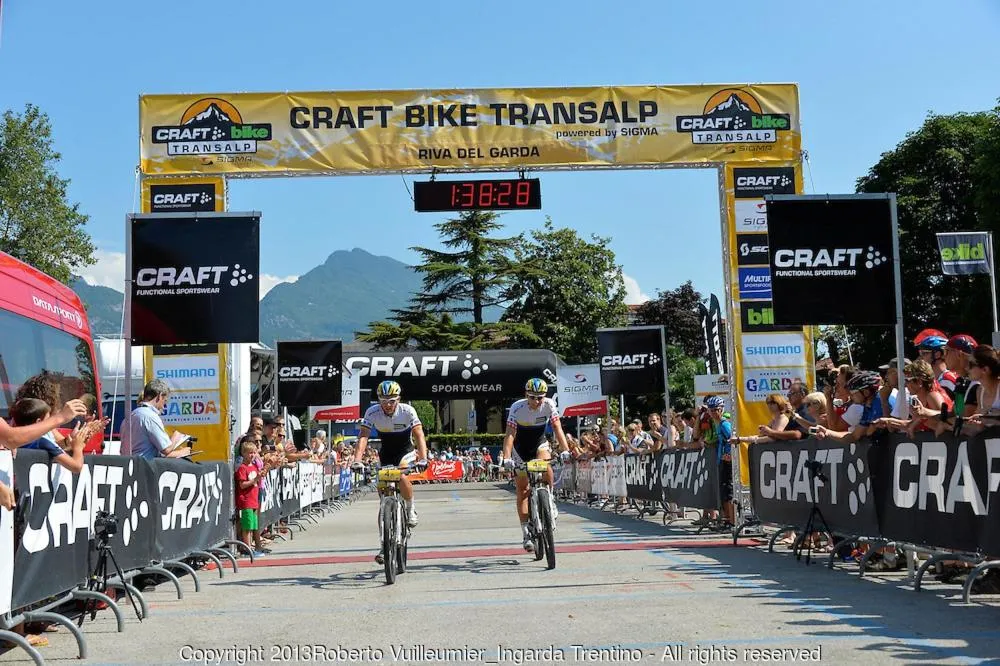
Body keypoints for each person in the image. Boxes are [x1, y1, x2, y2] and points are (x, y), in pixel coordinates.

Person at [350, 381, 428, 564]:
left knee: (400, 475)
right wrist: (357, 460)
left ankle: (410, 509)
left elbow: (418, 434)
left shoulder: (408, 411)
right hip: (386, 453)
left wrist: (423, 457)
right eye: (383, 400)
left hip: (405, 451)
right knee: (383, 497)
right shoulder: (372, 412)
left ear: (399, 399)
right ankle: (384, 544)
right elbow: (363, 437)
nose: (388, 404)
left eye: (392, 400)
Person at [500, 378, 570, 552]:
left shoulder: (549, 405)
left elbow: (557, 428)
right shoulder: (517, 407)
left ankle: (550, 499)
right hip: (520, 448)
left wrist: (565, 450)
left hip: (539, 443)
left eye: (540, 397)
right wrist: (507, 458)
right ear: (526, 395)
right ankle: (526, 531)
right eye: (532, 397)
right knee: (522, 490)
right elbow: (510, 434)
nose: (537, 401)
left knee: (546, 464)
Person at [10, 398, 105, 473]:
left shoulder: (11, 440)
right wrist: (78, 447)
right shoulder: (41, 441)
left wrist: (70, 441)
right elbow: (76, 466)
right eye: (48, 419)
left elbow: (56, 451)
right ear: (39, 422)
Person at [120, 380, 192, 459]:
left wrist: (180, 453)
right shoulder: (150, 417)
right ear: (160, 396)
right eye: (165, 401)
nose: (163, 406)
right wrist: (176, 437)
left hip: (129, 464)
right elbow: (166, 449)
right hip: (144, 467)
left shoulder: (130, 416)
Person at [705, 396, 735, 527]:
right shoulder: (716, 423)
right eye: (711, 410)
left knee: (728, 492)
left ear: (722, 409)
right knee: (723, 492)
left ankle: (731, 520)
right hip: (720, 461)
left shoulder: (724, 424)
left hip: (727, 462)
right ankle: (726, 518)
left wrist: (728, 454)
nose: (713, 413)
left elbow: (731, 439)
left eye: (716, 410)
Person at [235, 440, 266, 558]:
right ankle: (247, 549)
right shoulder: (242, 468)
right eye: (249, 453)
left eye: (254, 453)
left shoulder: (253, 466)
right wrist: (255, 479)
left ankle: (250, 547)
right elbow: (242, 485)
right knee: (247, 527)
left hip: (253, 501)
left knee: (252, 526)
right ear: (243, 453)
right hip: (246, 501)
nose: (252, 455)